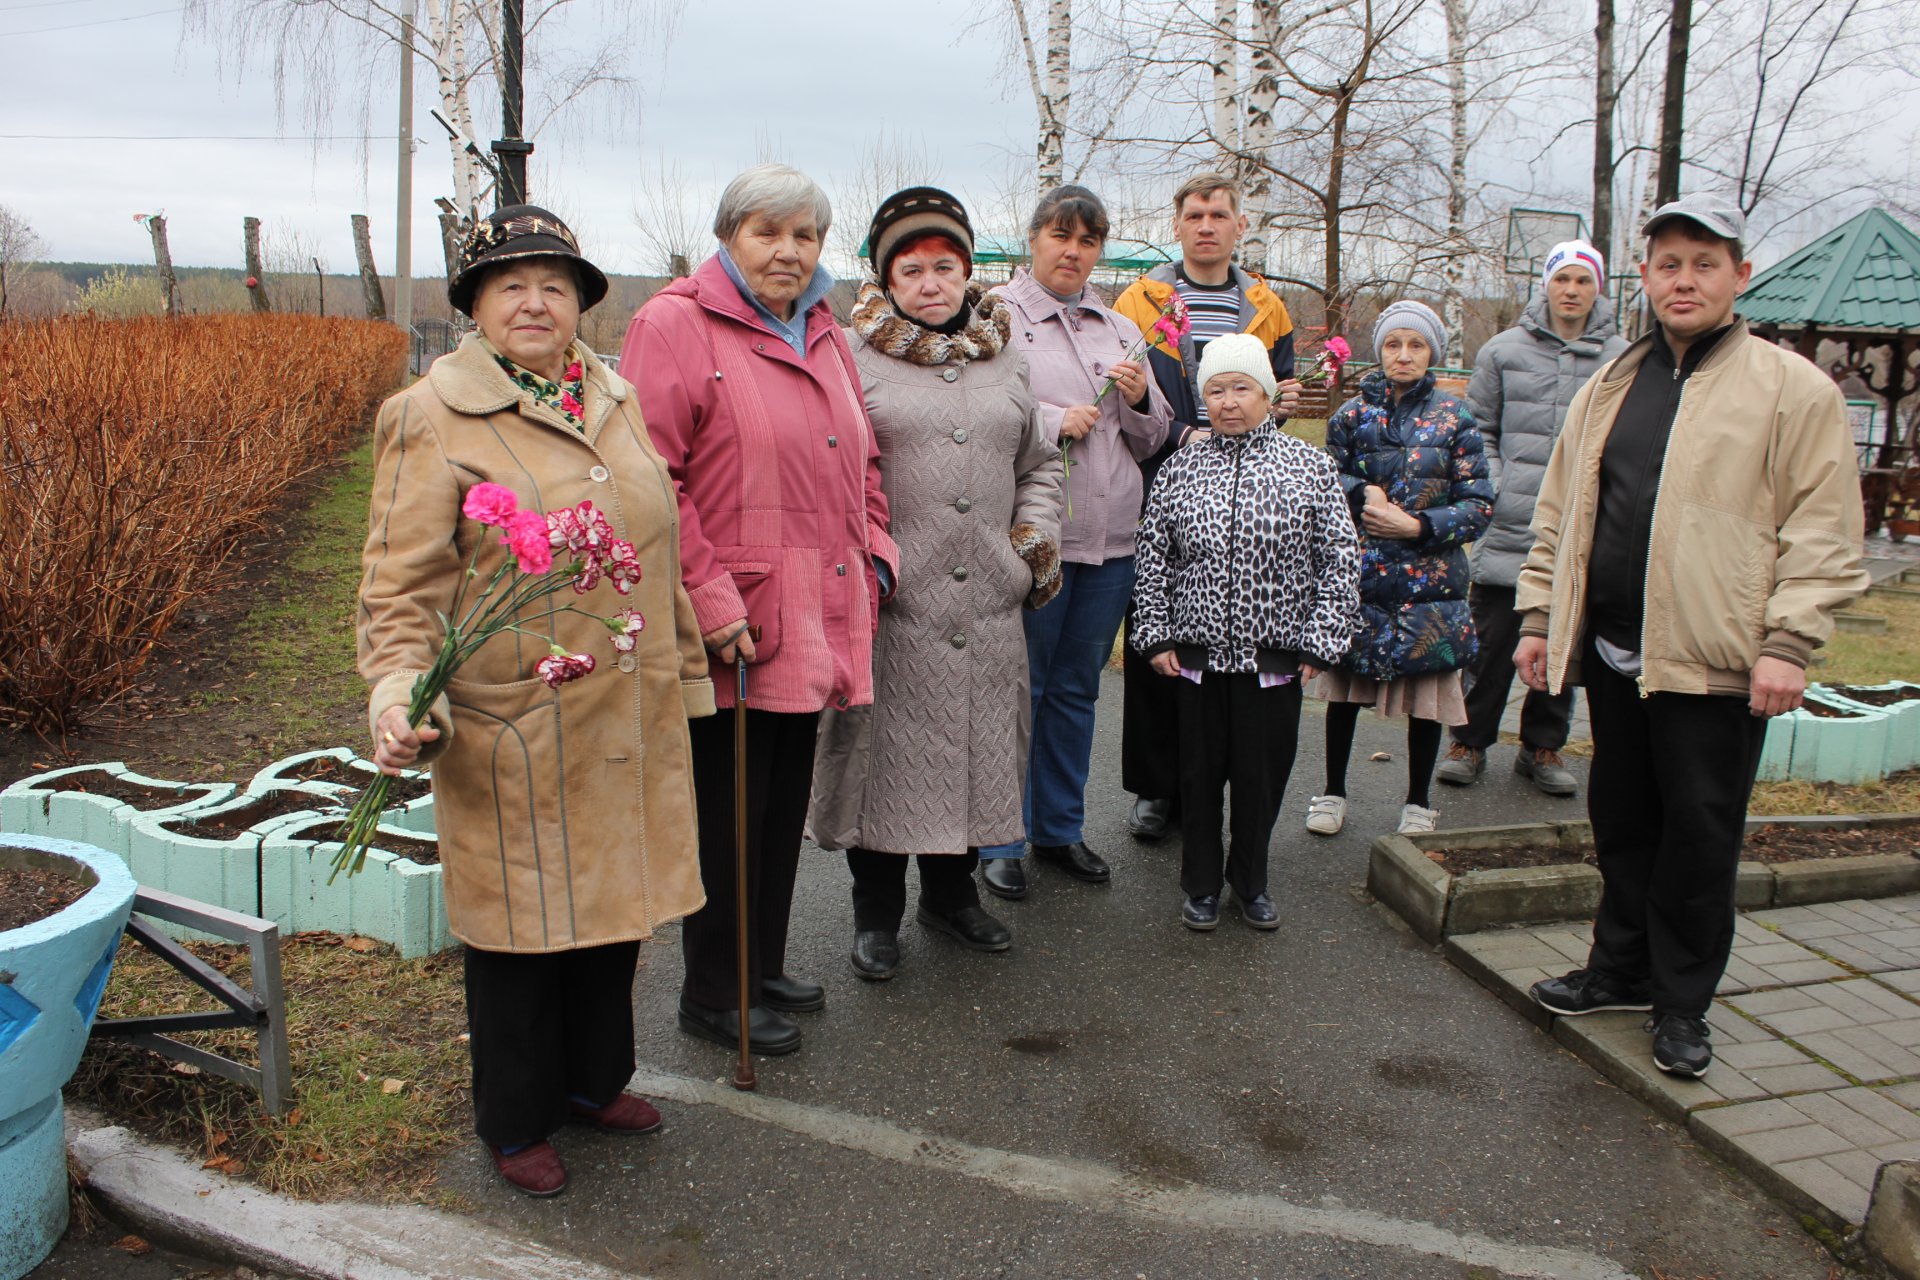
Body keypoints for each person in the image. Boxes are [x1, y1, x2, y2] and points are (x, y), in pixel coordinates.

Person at [359, 206, 712, 1197]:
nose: (534, 300)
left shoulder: (613, 394)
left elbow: (654, 547)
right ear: (473, 303)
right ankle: (516, 1117)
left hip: (625, 711)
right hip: (516, 716)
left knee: (612, 909)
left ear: (582, 304)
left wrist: (685, 669)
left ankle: (596, 1083)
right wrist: (397, 689)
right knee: (522, 922)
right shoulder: (429, 416)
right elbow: (399, 585)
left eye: (555, 284)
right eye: (510, 282)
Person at [1516, 193, 1868, 1078]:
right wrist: (1538, 617)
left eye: (1704, 264)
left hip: (1717, 663)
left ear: (1739, 276)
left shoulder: (1792, 390)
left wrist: (1788, 642)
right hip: (1615, 652)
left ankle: (1681, 1004)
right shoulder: (1612, 384)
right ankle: (1620, 968)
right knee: (1622, 822)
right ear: (1647, 278)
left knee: (1699, 837)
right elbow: (1560, 512)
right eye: (1668, 265)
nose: (1684, 280)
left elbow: (1822, 529)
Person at [619, 164, 899, 1056]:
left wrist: (878, 560)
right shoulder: (674, 323)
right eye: (766, 232)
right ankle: (713, 991)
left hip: (815, 607)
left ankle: (760, 960)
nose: (788, 251)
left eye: (805, 236)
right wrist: (705, 597)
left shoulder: (825, 328)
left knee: (778, 805)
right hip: (731, 619)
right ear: (729, 236)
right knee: (730, 810)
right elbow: (648, 478)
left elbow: (863, 464)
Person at [808, 187, 1065, 980]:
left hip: (989, 599)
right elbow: (833, 469)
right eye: (911, 269)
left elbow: (1041, 465)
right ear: (885, 277)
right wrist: (872, 564)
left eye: (945, 266)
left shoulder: (1008, 358)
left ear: (967, 272)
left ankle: (951, 900)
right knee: (887, 761)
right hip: (895, 603)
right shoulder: (852, 361)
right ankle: (876, 915)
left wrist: (1033, 547)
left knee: (976, 751)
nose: (930, 283)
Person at [976, 185, 1172, 900]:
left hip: (1111, 542)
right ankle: (1000, 837)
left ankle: (1058, 828)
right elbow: (973, 408)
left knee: (1075, 692)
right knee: (1016, 689)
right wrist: (1054, 416)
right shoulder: (994, 315)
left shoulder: (1119, 329)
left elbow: (1153, 436)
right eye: (1060, 235)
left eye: (1088, 241)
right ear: (1033, 238)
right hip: (1032, 537)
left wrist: (1143, 397)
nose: (1073, 251)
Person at [1133, 333, 1360, 930]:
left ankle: (1251, 881)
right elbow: (1154, 556)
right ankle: (1201, 883)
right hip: (1197, 656)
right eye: (1216, 389)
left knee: (1260, 777)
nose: (1228, 401)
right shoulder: (1181, 467)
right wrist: (1155, 634)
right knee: (1199, 776)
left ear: (1265, 394)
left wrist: (1322, 639)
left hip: (1274, 655)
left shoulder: (1308, 466)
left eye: (1241, 388)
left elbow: (1339, 556)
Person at [1113, 173, 1303, 842]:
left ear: (1238, 225)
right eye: (1194, 214)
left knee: (1222, 646)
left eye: (1219, 214)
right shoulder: (1141, 301)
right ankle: (1158, 788)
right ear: (1177, 223)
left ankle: (1216, 784)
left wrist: (1282, 406)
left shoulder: (1266, 305)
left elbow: (1277, 392)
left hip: (1243, 489)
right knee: (1158, 635)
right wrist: (1176, 435)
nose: (1206, 225)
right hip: (1166, 477)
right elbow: (1127, 397)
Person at [1436, 241, 1626, 799]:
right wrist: (1494, 486)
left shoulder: (1622, 356)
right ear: (1546, 284)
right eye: (1562, 279)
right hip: (1510, 523)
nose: (1572, 291)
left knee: (1564, 644)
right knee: (1490, 642)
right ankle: (1469, 742)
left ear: (1598, 288)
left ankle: (1543, 745)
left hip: (1581, 527)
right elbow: (1479, 429)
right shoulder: (1502, 351)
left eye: (1583, 281)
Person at [1307, 299, 1491, 838]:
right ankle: (1332, 791)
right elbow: (1325, 480)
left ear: (1431, 351)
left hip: (1430, 586)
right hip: (1360, 578)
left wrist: (1419, 527)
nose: (1403, 355)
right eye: (1393, 344)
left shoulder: (1456, 420)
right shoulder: (1351, 418)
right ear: (1379, 350)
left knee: (1426, 699)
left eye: (1415, 345)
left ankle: (1417, 800)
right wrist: (1361, 492)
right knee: (1344, 692)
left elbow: (1479, 504)